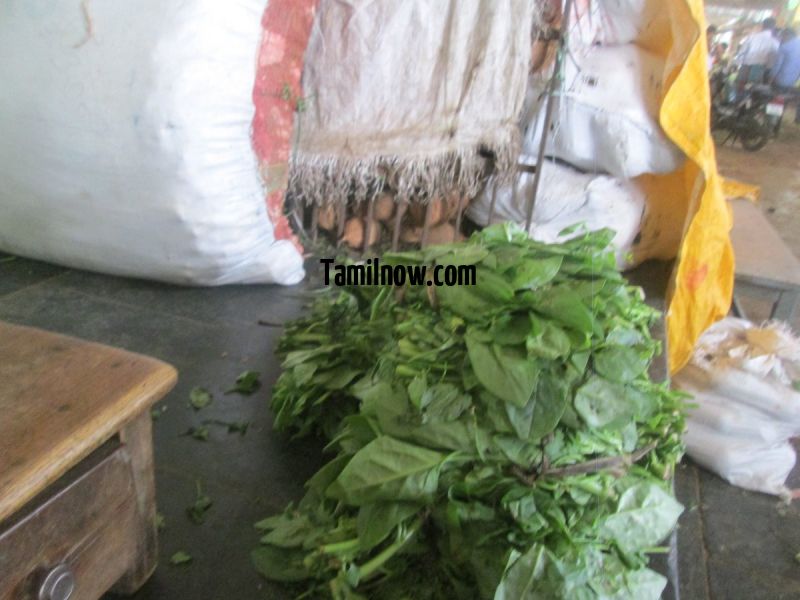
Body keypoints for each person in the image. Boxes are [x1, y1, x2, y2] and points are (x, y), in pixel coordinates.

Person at [737, 18, 779, 89]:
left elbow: (741, 53)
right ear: (773, 27)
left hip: (745, 67)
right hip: (760, 70)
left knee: (739, 89)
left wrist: (739, 65)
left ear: (762, 25)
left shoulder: (751, 37)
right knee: (752, 92)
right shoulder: (775, 42)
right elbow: (771, 62)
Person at [771, 28, 800, 124]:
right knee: (784, 103)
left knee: (776, 102)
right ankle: (777, 123)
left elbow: (777, 65)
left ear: (787, 35)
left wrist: (771, 77)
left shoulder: (784, 47)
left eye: (782, 36)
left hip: (781, 79)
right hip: (794, 81)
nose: (781, 38)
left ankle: (772, 124)